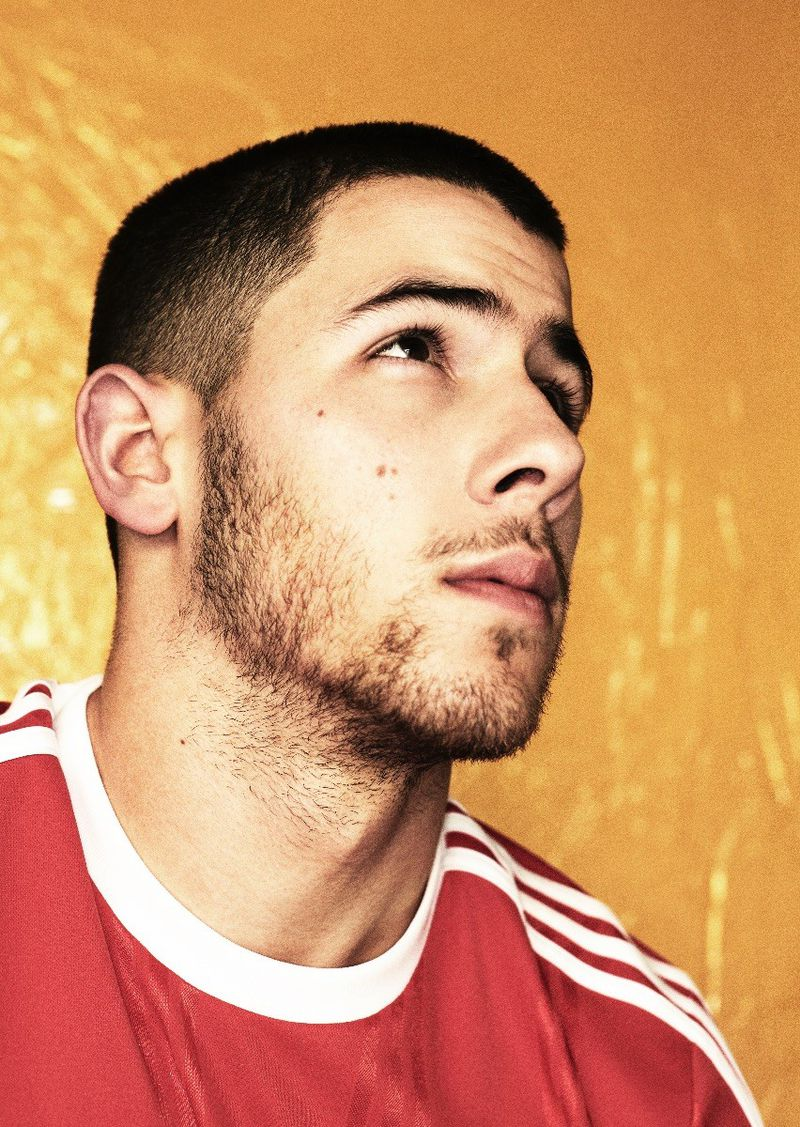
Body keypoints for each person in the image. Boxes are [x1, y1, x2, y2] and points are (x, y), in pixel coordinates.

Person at [0, 122, 762, 1126]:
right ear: (141, 453)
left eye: (556, 392)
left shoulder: (651, 1075)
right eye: (411, 347)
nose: (552, 451)